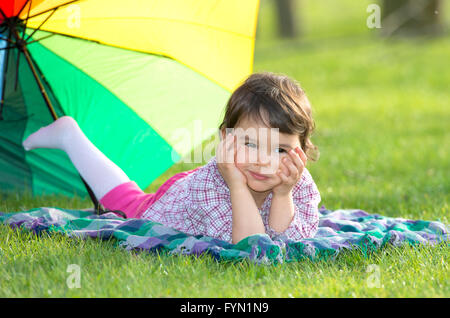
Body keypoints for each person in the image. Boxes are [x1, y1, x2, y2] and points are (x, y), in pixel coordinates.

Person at [22, 72, 321, 244]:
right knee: (128, 205)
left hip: (190, 188)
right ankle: (70, 137)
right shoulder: (213, 186)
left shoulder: (297, 180)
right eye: (250, 144)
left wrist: (283, 194)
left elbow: (290, 245)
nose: (262, 161)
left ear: (302, 150)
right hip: (180, 197)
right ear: (225, 140)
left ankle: (69, 135)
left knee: (130, 193)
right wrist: (238, 187)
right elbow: (250, 247)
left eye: (278, 149)